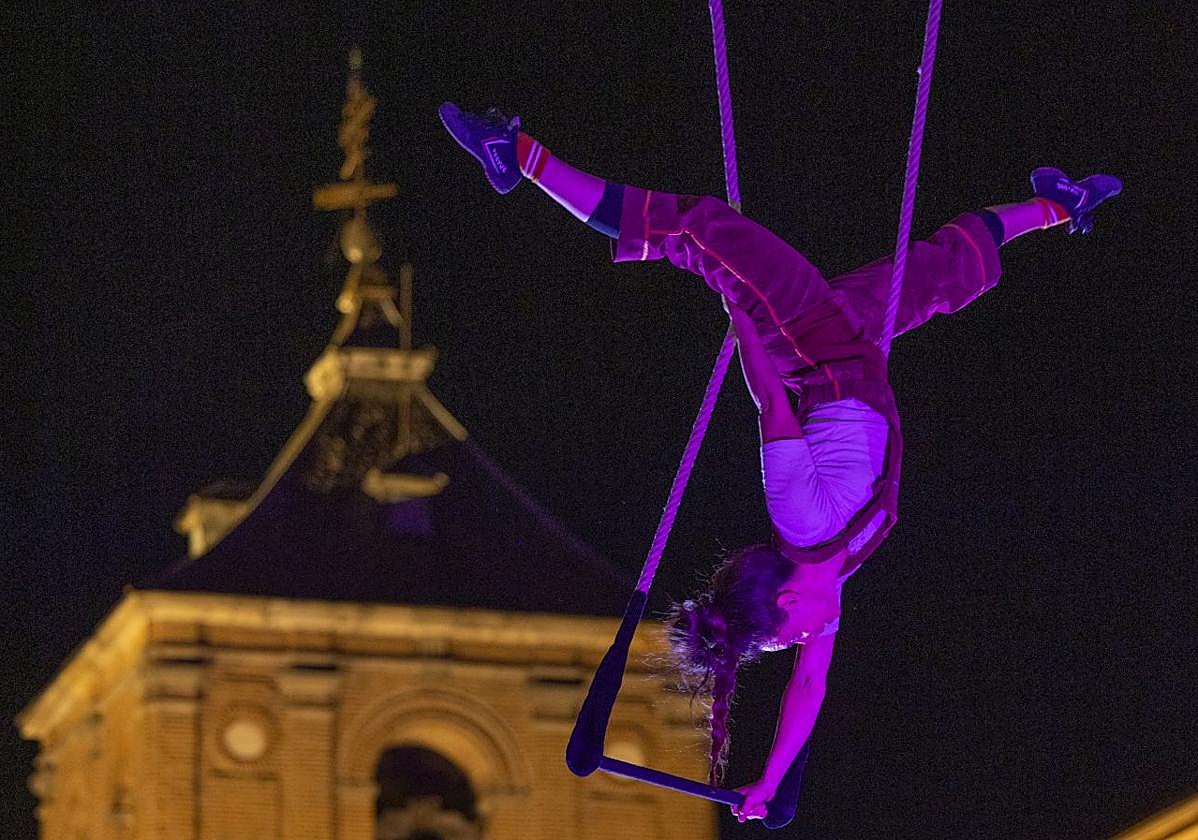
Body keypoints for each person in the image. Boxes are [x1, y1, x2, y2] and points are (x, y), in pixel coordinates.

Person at [438, 102, 1121, 822]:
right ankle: (1057, 206)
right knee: (939, 277)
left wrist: (739, 303)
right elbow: (810, 693)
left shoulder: (800, 519)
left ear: (789, 601)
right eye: (787, 642)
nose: (802, 643)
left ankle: (521, 160)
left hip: (810, 346)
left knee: (698, 229)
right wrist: (768, 782)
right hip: (854, 343)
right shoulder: (840, 568)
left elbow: (771, 401)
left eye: (784, 635)